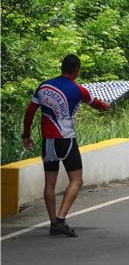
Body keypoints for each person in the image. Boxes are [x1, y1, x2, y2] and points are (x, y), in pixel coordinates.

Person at [22, 54, 111, 237]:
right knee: (77, 180)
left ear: (62, 68)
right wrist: (106, 106)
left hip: (48, 141)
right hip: (66, 139)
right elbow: (98, 105)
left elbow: (30, 111)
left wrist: (26, 135)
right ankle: (61, 219)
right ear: (76, 70)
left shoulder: (44, 86)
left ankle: (53, 222)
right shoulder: (79, 90)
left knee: (50, 183)